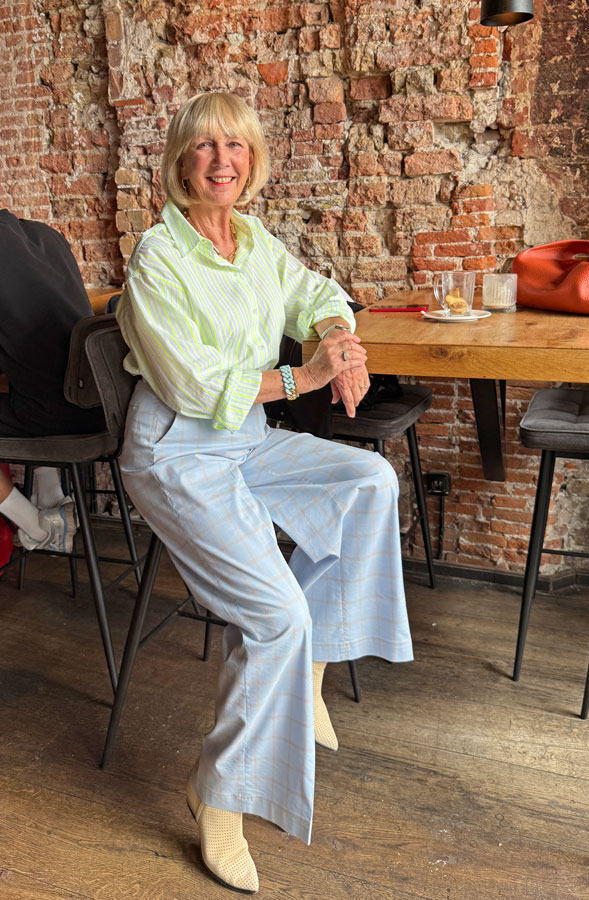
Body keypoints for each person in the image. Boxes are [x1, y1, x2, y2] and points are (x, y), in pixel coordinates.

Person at [116, 91, 413, 894]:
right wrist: (300, 376)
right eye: (206, 146)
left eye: (237, 147)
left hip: (244, 440)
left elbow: (315, 292)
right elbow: (191, 386)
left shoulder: (251, 240)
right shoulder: (157, 256)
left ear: (253, 161)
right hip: (178, 450)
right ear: (181, 160)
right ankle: (217, 798)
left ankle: (312, 660)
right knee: (274, 614)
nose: (222, 161)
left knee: (369, 481)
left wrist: (337, 340)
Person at [0, 211, 105, 553]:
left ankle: (35, 527)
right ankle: (52, 498)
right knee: (31, 366)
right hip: (102, 405)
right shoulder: (44, 234)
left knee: (31, 375)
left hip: (55, 418)